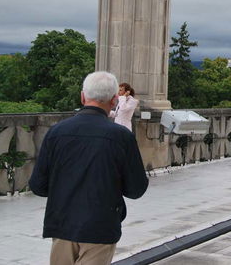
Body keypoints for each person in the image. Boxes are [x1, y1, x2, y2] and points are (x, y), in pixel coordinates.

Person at [29, 71, 148, 265]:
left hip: (62, 225)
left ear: (82, 96)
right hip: (100, 226)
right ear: (113, 100)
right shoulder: (121, 136)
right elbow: (136, 189)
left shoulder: (56, 132)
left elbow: (38, 186)